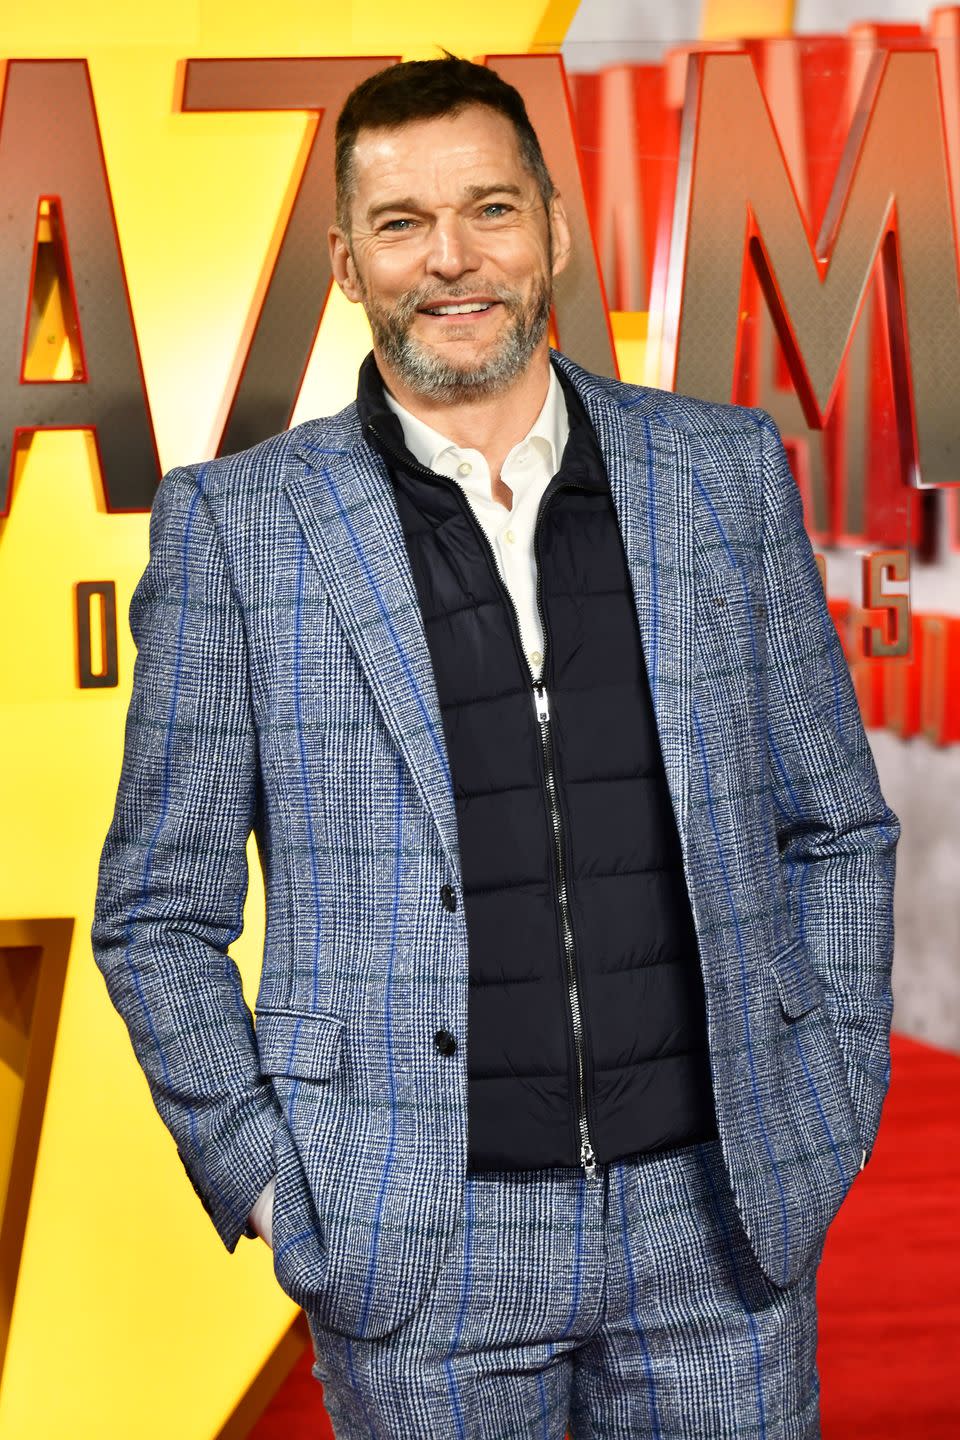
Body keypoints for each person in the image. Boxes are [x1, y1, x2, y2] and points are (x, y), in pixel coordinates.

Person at [91, 55, 900, 1439]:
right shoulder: (240, 530)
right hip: (418, 1247)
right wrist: (285, 1190)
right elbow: (157, 914)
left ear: (556, 233)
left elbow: (838, 827)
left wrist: (822, 1103)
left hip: (721, 1229)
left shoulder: (717, 474)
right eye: (403, 224)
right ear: (346, 262)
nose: (453, 260)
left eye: (492, 210)